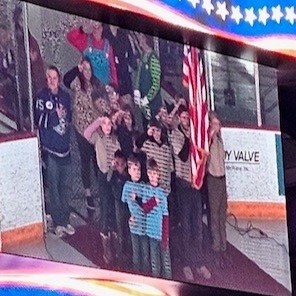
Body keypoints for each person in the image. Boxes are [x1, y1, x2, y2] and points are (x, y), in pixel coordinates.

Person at [63, 57, 106, 221]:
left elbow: (102, 103)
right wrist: (77, 68)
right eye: (85, 69)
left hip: (94, 128)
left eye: (89, 70)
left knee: (97, 160)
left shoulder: (96, 85)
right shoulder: (76, 83)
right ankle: (88, 193)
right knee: (85, 160)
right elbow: (65, 79)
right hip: (81, 128)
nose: (87, 73)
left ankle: (101, 190)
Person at [34, 65, 75, 238]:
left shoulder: (65, 96)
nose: (51, 80)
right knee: (54, 189)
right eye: (49, 77)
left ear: (59, 79)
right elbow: (39, 120)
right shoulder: (41, 97)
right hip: (50, 150)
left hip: (65, 149)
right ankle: (58, 222)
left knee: (64, 187)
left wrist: (63, 117)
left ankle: (65, 220)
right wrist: (54, 116)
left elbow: (69, 119)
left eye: (54, 77)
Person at [171, 105, 211, 279]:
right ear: (180, 118)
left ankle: (199, 262)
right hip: (182, 184)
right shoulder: (176, 135)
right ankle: (187, 263)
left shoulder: (195, 134)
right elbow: (183, 156)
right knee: (186, 225)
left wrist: (196, 136)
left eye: (188, 117)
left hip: (195, 184)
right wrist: (191, 139)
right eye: (184, 117)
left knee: (197, 225)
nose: (187, 120)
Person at [84, 114, 121, 264]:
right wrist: (97, 121)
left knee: (113, 208)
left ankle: (116, 242)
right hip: (103, 175)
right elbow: (87, 134)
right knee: (105, 207)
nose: (107, 126)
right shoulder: (98, 138)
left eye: (109, 124)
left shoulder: (115, 140)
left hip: (113, 176)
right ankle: (106, 245)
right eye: (104, 124)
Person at [135, 158, 172, 279]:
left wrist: (165, 236)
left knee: (165, 261)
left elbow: (165, 215)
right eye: (150, 173)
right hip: (151, 232)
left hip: (161, 232)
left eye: (154, 173)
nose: (152, 176)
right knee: (154, 261)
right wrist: (153, 201)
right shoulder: (146, 190)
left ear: (158, 175)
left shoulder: (161, 193)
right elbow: (145, 208)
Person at [207, 111, 228, 269]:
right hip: (213, 179)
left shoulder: (220, 140)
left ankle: (223, 247)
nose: (218, 126)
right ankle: (216, 249)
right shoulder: (209, 141)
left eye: (218, 124)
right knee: (214, 216)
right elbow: (204, 154)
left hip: (222, 179)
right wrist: (210, 133)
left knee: (222, 216)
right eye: (215, 123)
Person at [66, 20, 117, 86]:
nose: (96, 30)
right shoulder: (85, 40)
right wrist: (82, 28)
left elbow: (113, 68)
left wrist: (115, 86)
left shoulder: (108, 46)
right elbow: (70, 37)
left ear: (102, 28)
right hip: (90, 86)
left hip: (104, 87)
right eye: (93, 27)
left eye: (98, 26)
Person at [121, 154, 149, 273]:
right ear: (129, 170)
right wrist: (129, 217)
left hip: (145, 225)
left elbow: (146, 205)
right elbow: (123, 203)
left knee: (145, 253)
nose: (137, 172)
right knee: (136, 252)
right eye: (134, 169)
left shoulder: (143, 186)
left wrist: (137, 198)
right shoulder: (127, 186)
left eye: (138, 170)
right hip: (134, 225)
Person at [135, 33, 162, 127]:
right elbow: (138, 75)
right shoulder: (143, 55)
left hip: (153, 104)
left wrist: (147, 98)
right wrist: (137, 90)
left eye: (141, 38)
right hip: (143, 103)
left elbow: (156, 84)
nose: (140, 41)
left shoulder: (153, 59)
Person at [107, 149, 130, 262]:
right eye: (117, 164)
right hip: (117, 203)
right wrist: (112, 168)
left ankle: (128, 252)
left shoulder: (128, 176)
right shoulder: (114, 175)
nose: (119, 167)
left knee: (128, 228)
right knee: (119, 227)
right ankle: (120, 253)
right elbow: (108, 180)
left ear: (125, 164)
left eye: (121, 164)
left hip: (128, 205)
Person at [103, 25, 137, 97]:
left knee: (127, 94)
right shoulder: (105, 35)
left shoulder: (123, 35)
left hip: (124, 70)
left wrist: (132, 64)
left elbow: (130, 52)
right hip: (111, 71)